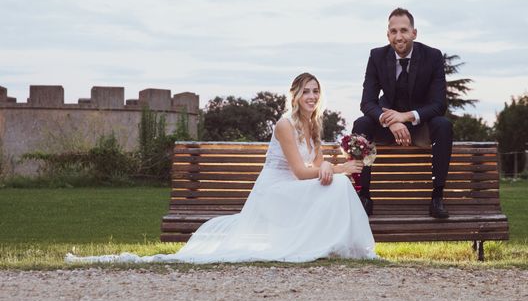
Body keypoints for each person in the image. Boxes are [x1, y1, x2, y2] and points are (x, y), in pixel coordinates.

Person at [66, 73, 377, 264]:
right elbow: (298, 171)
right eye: (306, 91)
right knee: (337, 183)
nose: (312, 96)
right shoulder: (285, 124)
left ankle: (339, 247)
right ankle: (333, 245)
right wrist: (337, 169)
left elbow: (315, 161)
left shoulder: (313, 124)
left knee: (336, 185)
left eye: (315, 91)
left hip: (293, 189)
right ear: (294, 96)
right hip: (276, 192)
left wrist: (326, 166)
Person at [352, 7, 453, 219]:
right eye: (394, 31)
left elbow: (438, 104)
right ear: (388, 34)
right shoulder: (377, 56)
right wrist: (391, 121)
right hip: (388, 125)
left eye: (404, 30)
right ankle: (364, 196)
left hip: (420, 125)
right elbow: (367, 102)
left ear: (414, 33)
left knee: (443, 124)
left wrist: (405, 117)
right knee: (361, 124)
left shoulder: (432, 56)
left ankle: (437, 197)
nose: (399, 37)